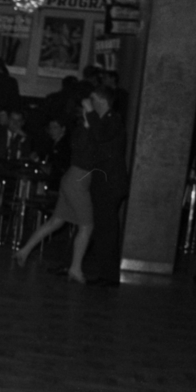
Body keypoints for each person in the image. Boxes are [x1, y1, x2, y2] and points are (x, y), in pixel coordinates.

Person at [14, 104, 93, 281]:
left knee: (56, 221)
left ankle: (24, 251)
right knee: (86, 226)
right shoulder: (85, 131)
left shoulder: (79, 131)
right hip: (78, 179)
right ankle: (75, 268)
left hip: (71, 178)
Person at [80, 85, 127, 287]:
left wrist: (90, 113)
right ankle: (105, 273)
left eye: (92, 99)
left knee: (107, 230)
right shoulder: (104, 121)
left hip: (110, 184)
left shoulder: (113, 120)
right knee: (103, 229)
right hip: (104, 182)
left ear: (102, 101)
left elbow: (100, 136)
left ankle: (108, 276)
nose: (89, 102)